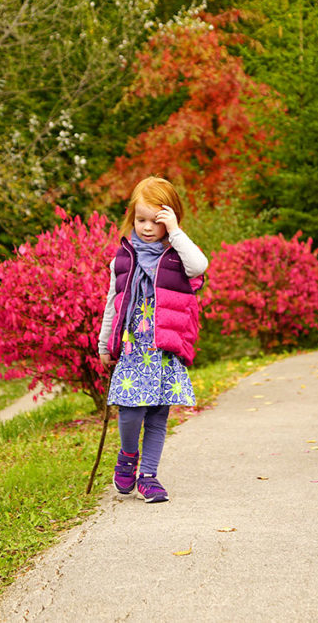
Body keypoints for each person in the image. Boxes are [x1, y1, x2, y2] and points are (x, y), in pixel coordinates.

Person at [97, 176, 208, 503]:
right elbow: (111, 302)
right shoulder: (122, 259)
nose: (146, 227)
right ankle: (128, 456)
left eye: (155, 220)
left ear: (169, 218)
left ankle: (149, 476)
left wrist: (174, 230)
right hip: (133, 350)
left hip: (164, 350)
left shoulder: (176, 257)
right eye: (140, 219)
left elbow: (200, 265)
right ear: (132, 218)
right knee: (131, 411)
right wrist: (105, 343)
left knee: (158, 415)